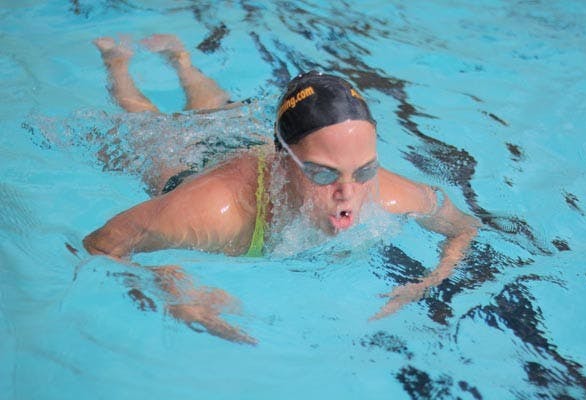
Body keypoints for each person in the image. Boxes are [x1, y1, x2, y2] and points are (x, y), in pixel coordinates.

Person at [84, 34, 479, 344]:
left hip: (246, 142)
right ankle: (117, 62)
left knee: (218, 109)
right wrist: (163, 286)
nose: (349, 194)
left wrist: (427, 283)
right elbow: (99, 245)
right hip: (186, 165)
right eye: (324, 175)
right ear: (282, 159)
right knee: (147, 121)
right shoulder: (213, 212)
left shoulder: (386, 193)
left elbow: (464, 227)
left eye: (364, 171)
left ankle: (182, 61)